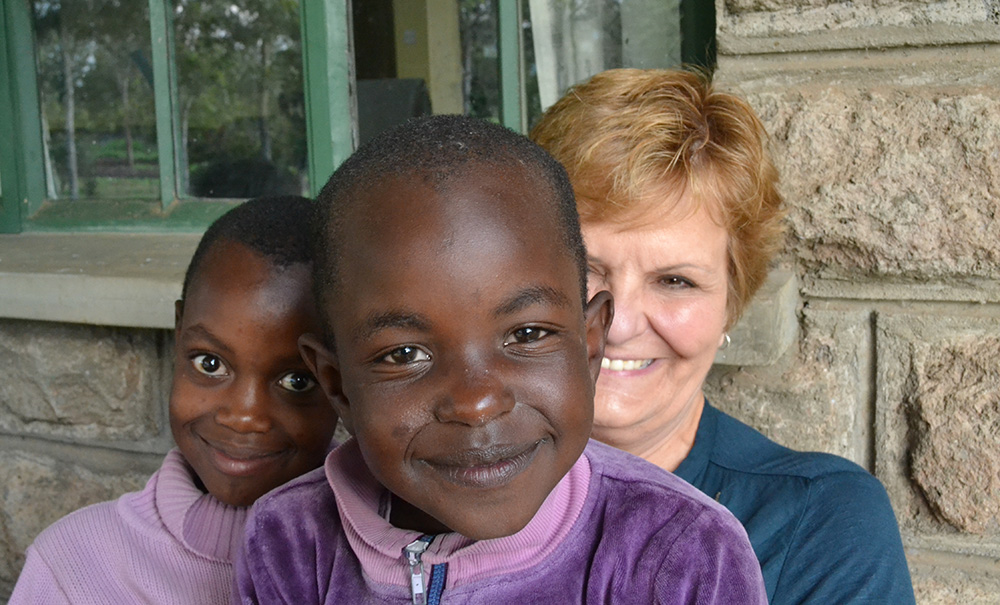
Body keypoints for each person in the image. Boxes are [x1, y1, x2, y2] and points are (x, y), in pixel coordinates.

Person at [234, 115, 767, 604]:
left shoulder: (682, 557)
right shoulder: (288, 542)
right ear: (338, 385)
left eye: (528, 333)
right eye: (405, 354)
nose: (477, 402)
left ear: (590, 347)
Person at [530, 68, 915, 604]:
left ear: (732, 305)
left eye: (675, 281)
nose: (618, 323)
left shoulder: (821, 524)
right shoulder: (435, 486)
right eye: (583, 268)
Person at [9, 196, 340, 604]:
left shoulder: (385, 560)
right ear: (179, 329)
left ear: (342, 379)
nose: (244, 416)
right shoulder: (72, 567)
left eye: (296, 381)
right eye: (210, 363)